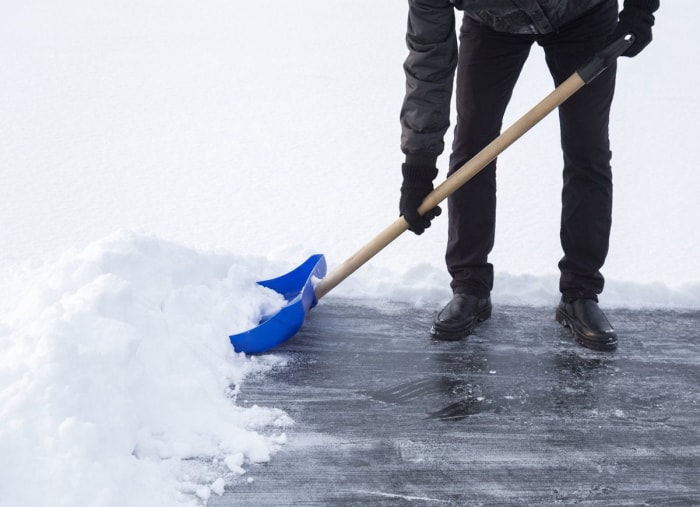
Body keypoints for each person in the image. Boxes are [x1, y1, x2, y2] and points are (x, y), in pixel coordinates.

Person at [398, 0, 659, 351]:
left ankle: (580, 293)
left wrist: (641, 7)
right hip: (492, 22)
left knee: (587, 147)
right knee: (473, 147)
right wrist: (418, 167)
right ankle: (469, 287)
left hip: (582, 14)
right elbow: (429, 60)